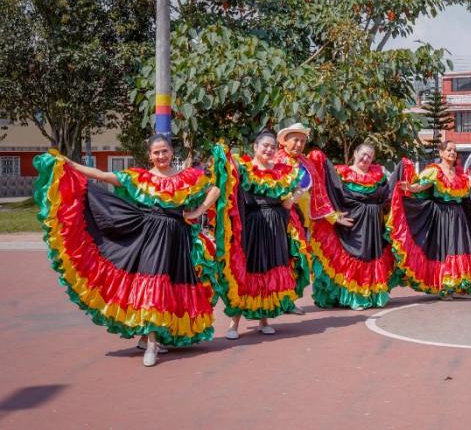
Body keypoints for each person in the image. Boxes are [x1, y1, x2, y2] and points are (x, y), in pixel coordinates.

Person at [33, 135, 221, 367]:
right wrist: (70, 164)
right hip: (152, 236)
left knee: (172, 285)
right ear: (150, 156)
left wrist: (198, 211)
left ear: (172, 152)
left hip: (179, 238)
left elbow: (214, 190)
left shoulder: (188, 177)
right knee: (154, 284)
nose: (161, 156)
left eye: (165, 151)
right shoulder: (142, 178)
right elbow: (103, 175)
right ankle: (151, 343)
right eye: (156, 152)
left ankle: (147, 338)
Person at [210, 131, 311, 339]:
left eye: (272, 146)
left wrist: (294, 197)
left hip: (276, 227)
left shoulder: (283, 172)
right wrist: (222, 154)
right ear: (255, 147)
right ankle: (233, 324)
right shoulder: (244, 169)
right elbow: (228, 179)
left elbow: (291, 196)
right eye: (265, 145)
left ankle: (264, 320)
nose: (269, 149)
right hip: (252, 228)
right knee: (246, 272)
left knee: (269, 271)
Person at [387, 140, 471, 297]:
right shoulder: (434, 171)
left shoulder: (461, 174)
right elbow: (421, 186)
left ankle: (459, 287)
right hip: (441, 217)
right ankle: (445, 287)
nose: (452, 152)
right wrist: (410, 187)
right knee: (445, 250)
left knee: (460, 249)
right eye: (449, 150)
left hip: (459, 217)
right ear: (441, 153)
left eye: (454, 150)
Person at [305, 144, 399, 310]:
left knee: (371, 258)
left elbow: (387, 197)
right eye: (363, 154)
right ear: (355, 153)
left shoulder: (378, 176)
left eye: (370, 156)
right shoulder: (342, 174)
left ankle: (371, 296)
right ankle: (354, 298)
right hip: (350, 225)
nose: (366, 159)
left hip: (374, 226)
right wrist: (333, 216)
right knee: (355, 257)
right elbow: (331, 191)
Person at [275, 122, 336, 315]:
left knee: (296, 259)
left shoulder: (307, 163)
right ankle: (274, 301)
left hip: (303, 221)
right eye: (295, 140)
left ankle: (288, 300)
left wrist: (333, 216)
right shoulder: (277, 160)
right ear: (284, 141)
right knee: (281, 260)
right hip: (280, 219)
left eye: (302, 141)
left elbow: (319, 192)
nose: (299, 144)